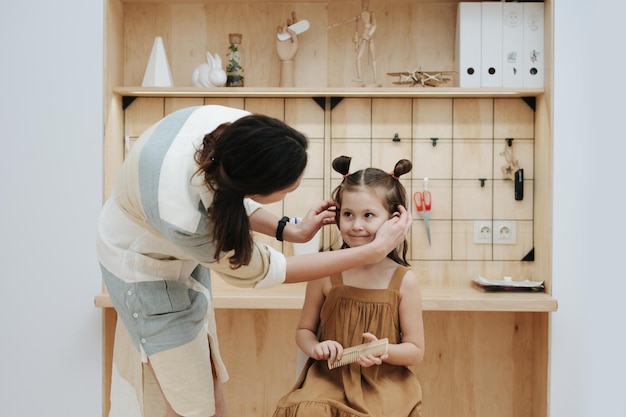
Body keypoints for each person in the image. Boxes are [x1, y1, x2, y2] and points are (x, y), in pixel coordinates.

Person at [96, 105, 412, 417]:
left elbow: (224, 194)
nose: (357, 225)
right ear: (252, 191)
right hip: (144, 267)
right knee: (189, 405)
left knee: (206, 381)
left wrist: (288, 230)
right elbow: (272, 270)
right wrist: (370, 252)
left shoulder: (236, 131)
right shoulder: (187, 219)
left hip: (176, 248)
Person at [273, 155, 425, 417]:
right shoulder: (323, 272)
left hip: (384, 383)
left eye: (368, 215)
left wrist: (382, 351)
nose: (356, 225)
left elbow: (415, 351)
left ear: (394, 219)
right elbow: (304, 330)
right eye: (348, 214)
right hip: (329, 380)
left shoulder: (404, 281)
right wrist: (315, 348)